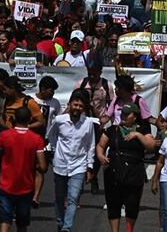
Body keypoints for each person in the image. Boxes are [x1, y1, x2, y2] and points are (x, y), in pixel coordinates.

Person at [95, 103, 156, 232]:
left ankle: (129, 230)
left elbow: (151, 146)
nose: (123, 116)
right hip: (114, 171)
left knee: (132, 204)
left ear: (135, 117)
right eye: (122, 113)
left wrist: (138, 135)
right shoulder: (113, 130)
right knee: (113, 204)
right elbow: (101, 145)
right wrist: (100, 156)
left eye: (127, 114)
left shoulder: (143, 130)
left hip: (134, 172)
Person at [45, 89, 96, 232]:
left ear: (84, 108)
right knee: (60, 198)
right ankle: (60, 223)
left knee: (73, 199)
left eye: (80, 106)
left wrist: (90, 166)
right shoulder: (60, 120)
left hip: (78, 166)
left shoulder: (88, 123)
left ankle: (67, 229)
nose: (77, 108)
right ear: (70, 104)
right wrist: (55, 150)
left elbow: (90, 145)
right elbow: (51, 135)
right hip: (60, 164)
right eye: (75, 105)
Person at [0, 106, 46, 232]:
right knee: (22, 224)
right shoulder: (36, 139)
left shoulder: (4, 136)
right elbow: (43, 166)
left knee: (5, 221)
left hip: (6, 184)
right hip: (26, 187)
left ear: (14, 119)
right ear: (29, 119)